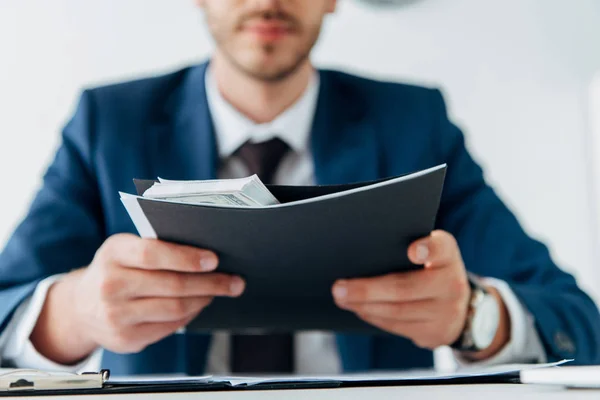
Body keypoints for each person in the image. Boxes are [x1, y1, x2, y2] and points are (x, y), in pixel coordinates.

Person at [0, 0, 598, 375]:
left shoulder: (413, 123)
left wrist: (471, 315)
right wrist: (76, 313)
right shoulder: (108, 123)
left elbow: (579, 323)